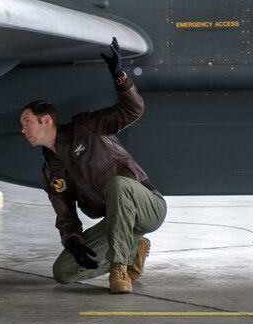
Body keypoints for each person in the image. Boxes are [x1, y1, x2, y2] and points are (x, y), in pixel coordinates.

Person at [20, 38, 166, 293]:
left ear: (46, 120)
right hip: (116, 221)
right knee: (63, 272)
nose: (23, 129)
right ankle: (133, 249)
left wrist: (119, 76)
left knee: (119, 184)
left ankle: (119, 268)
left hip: (148, 207)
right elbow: (66, 217)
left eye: (27, 122)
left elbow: (133, 110)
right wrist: (73, 241)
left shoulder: (86, 127)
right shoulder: (51, 172)